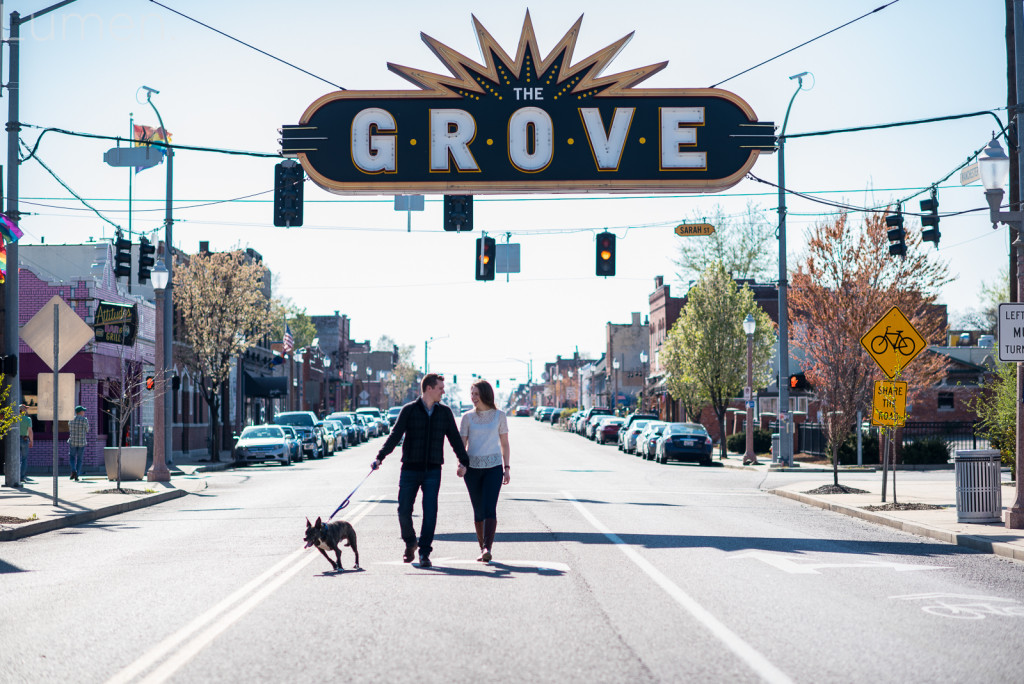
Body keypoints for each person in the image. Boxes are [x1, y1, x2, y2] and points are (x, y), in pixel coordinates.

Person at [372, 373, 469, 568]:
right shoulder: (409, 410)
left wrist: (463, 461)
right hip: (409, 469)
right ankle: (410, 542)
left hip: (433, 470)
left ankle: (424, 552)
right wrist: (380, 457)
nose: (443, 391)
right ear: (429, 388)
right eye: (440, 388)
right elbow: (395, 435)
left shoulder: (445, 413)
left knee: (430, 511)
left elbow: (455, 440)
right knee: (403, 511)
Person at [457, 379, 510, 563]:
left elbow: (504, 444)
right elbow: (462, 445)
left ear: (486, 394)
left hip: (494, 468)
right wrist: (462, 464)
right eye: (471, 394)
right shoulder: (467, 417)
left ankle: (488, 547)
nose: (473, 398)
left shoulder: (499, 416)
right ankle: (482, 547)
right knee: (478, 510)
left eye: (476, 394)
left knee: (490, 508)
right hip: (472, 471)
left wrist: (507, 467)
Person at [68, 405, 89, 481]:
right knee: (79, 459)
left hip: (73, 441)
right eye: (83, 411)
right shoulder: (84, 420)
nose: (84, 412)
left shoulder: (71, 419)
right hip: (81, 442)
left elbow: (69, 428)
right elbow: (87, 430)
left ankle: (73, 470)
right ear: (80, 412)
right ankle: (77, 473)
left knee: (72, 457)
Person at [19, 404, 34, 483]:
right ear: (23, 411)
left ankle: (15, 475)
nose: (26, 410)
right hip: (25, 439)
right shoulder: (28, 419)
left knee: (16, 458)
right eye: (26, 409)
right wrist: (31, 440)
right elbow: (30, 431)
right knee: (24, 459)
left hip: (15, 440)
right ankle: (22, 476)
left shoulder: (15, 419)